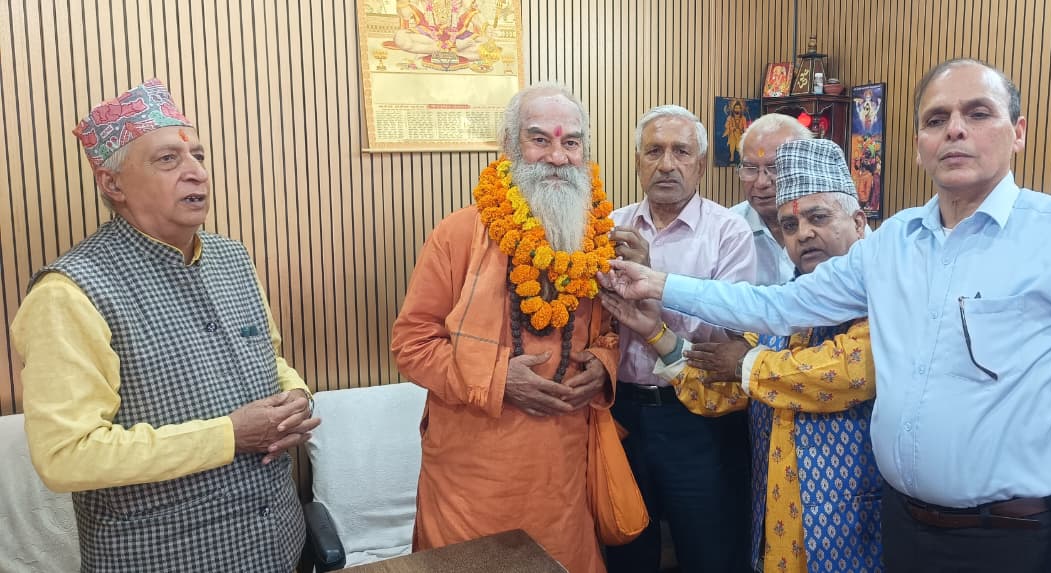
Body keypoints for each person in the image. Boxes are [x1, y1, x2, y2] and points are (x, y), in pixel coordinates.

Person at [602, 59, 1051, 572]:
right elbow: (772, 309)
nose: (955, 130)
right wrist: (657, 294)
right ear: (919, 145)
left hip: (1007, 536)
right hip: (895, 531)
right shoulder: (897, 244)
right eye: (936, 119)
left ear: (1017, 132)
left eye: (977, 113)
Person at [11, 79, 320, 572]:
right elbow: (67, 455)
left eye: (198, 155)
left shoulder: (232, 258)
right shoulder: (68, 293)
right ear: (113, 185)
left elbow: (269, 357)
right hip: (162, 557)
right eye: (168, 160)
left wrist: (296, 395)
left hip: (278, 545)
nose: (196, 172)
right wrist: (228, 435)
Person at [603, 138, 881, 573]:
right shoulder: (783, 311)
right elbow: (717, 390)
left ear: (859, 222)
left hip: (851, 525)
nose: (804, 233)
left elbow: (840, 374)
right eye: (789, 225)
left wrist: (743, 363)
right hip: (779, 523)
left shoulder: (883, 300)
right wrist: (654, 331)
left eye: (819, 217)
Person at [390, 82, 620, 573]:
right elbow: (412, 344)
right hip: (471, 482)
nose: (557, 157)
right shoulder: (457, 234)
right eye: (540, 140)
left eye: (571, 142)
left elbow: (609, 334)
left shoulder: (596, 240)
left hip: (562, 476)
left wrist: (603, 366)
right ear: (510, 147)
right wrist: (498, 379)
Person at [605, 105, 756, 573]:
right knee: (625, 549)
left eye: (681, 152)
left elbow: (728, 336)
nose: (667, 164)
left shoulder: (728, 232)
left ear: (701, 164)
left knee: (709, 551)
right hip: (620, 412)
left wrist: (653, 282)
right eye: (654, 151)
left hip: (699, 418)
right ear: (637, 161)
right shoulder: (609, 227)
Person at [730, 113, 811, 285]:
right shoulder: (725, 230)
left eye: (775, 168)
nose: (761, 183)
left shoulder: (838, 224)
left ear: (805, 167)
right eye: (750, 168)